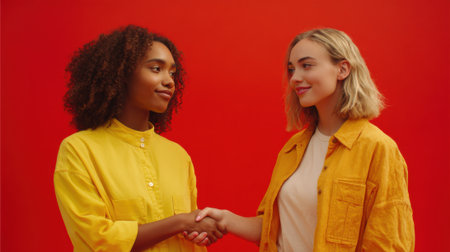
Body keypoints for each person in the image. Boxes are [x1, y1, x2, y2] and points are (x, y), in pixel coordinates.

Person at [189, 28, 415, 251]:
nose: (295, 78)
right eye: (291, 69)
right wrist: (225, 219)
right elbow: (273, 229)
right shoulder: (294, 147)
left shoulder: (378, 148)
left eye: (306, 65)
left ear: (342, 69)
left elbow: (389, 243)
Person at [54, 25, 223, 252]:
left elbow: (191, 236)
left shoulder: (178, 156)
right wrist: (181, 221)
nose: (169, 81)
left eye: (172, 73)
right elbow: (98, 240)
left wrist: (198, 230)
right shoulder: (79, 150)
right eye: (156, 69)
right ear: (121, 74)